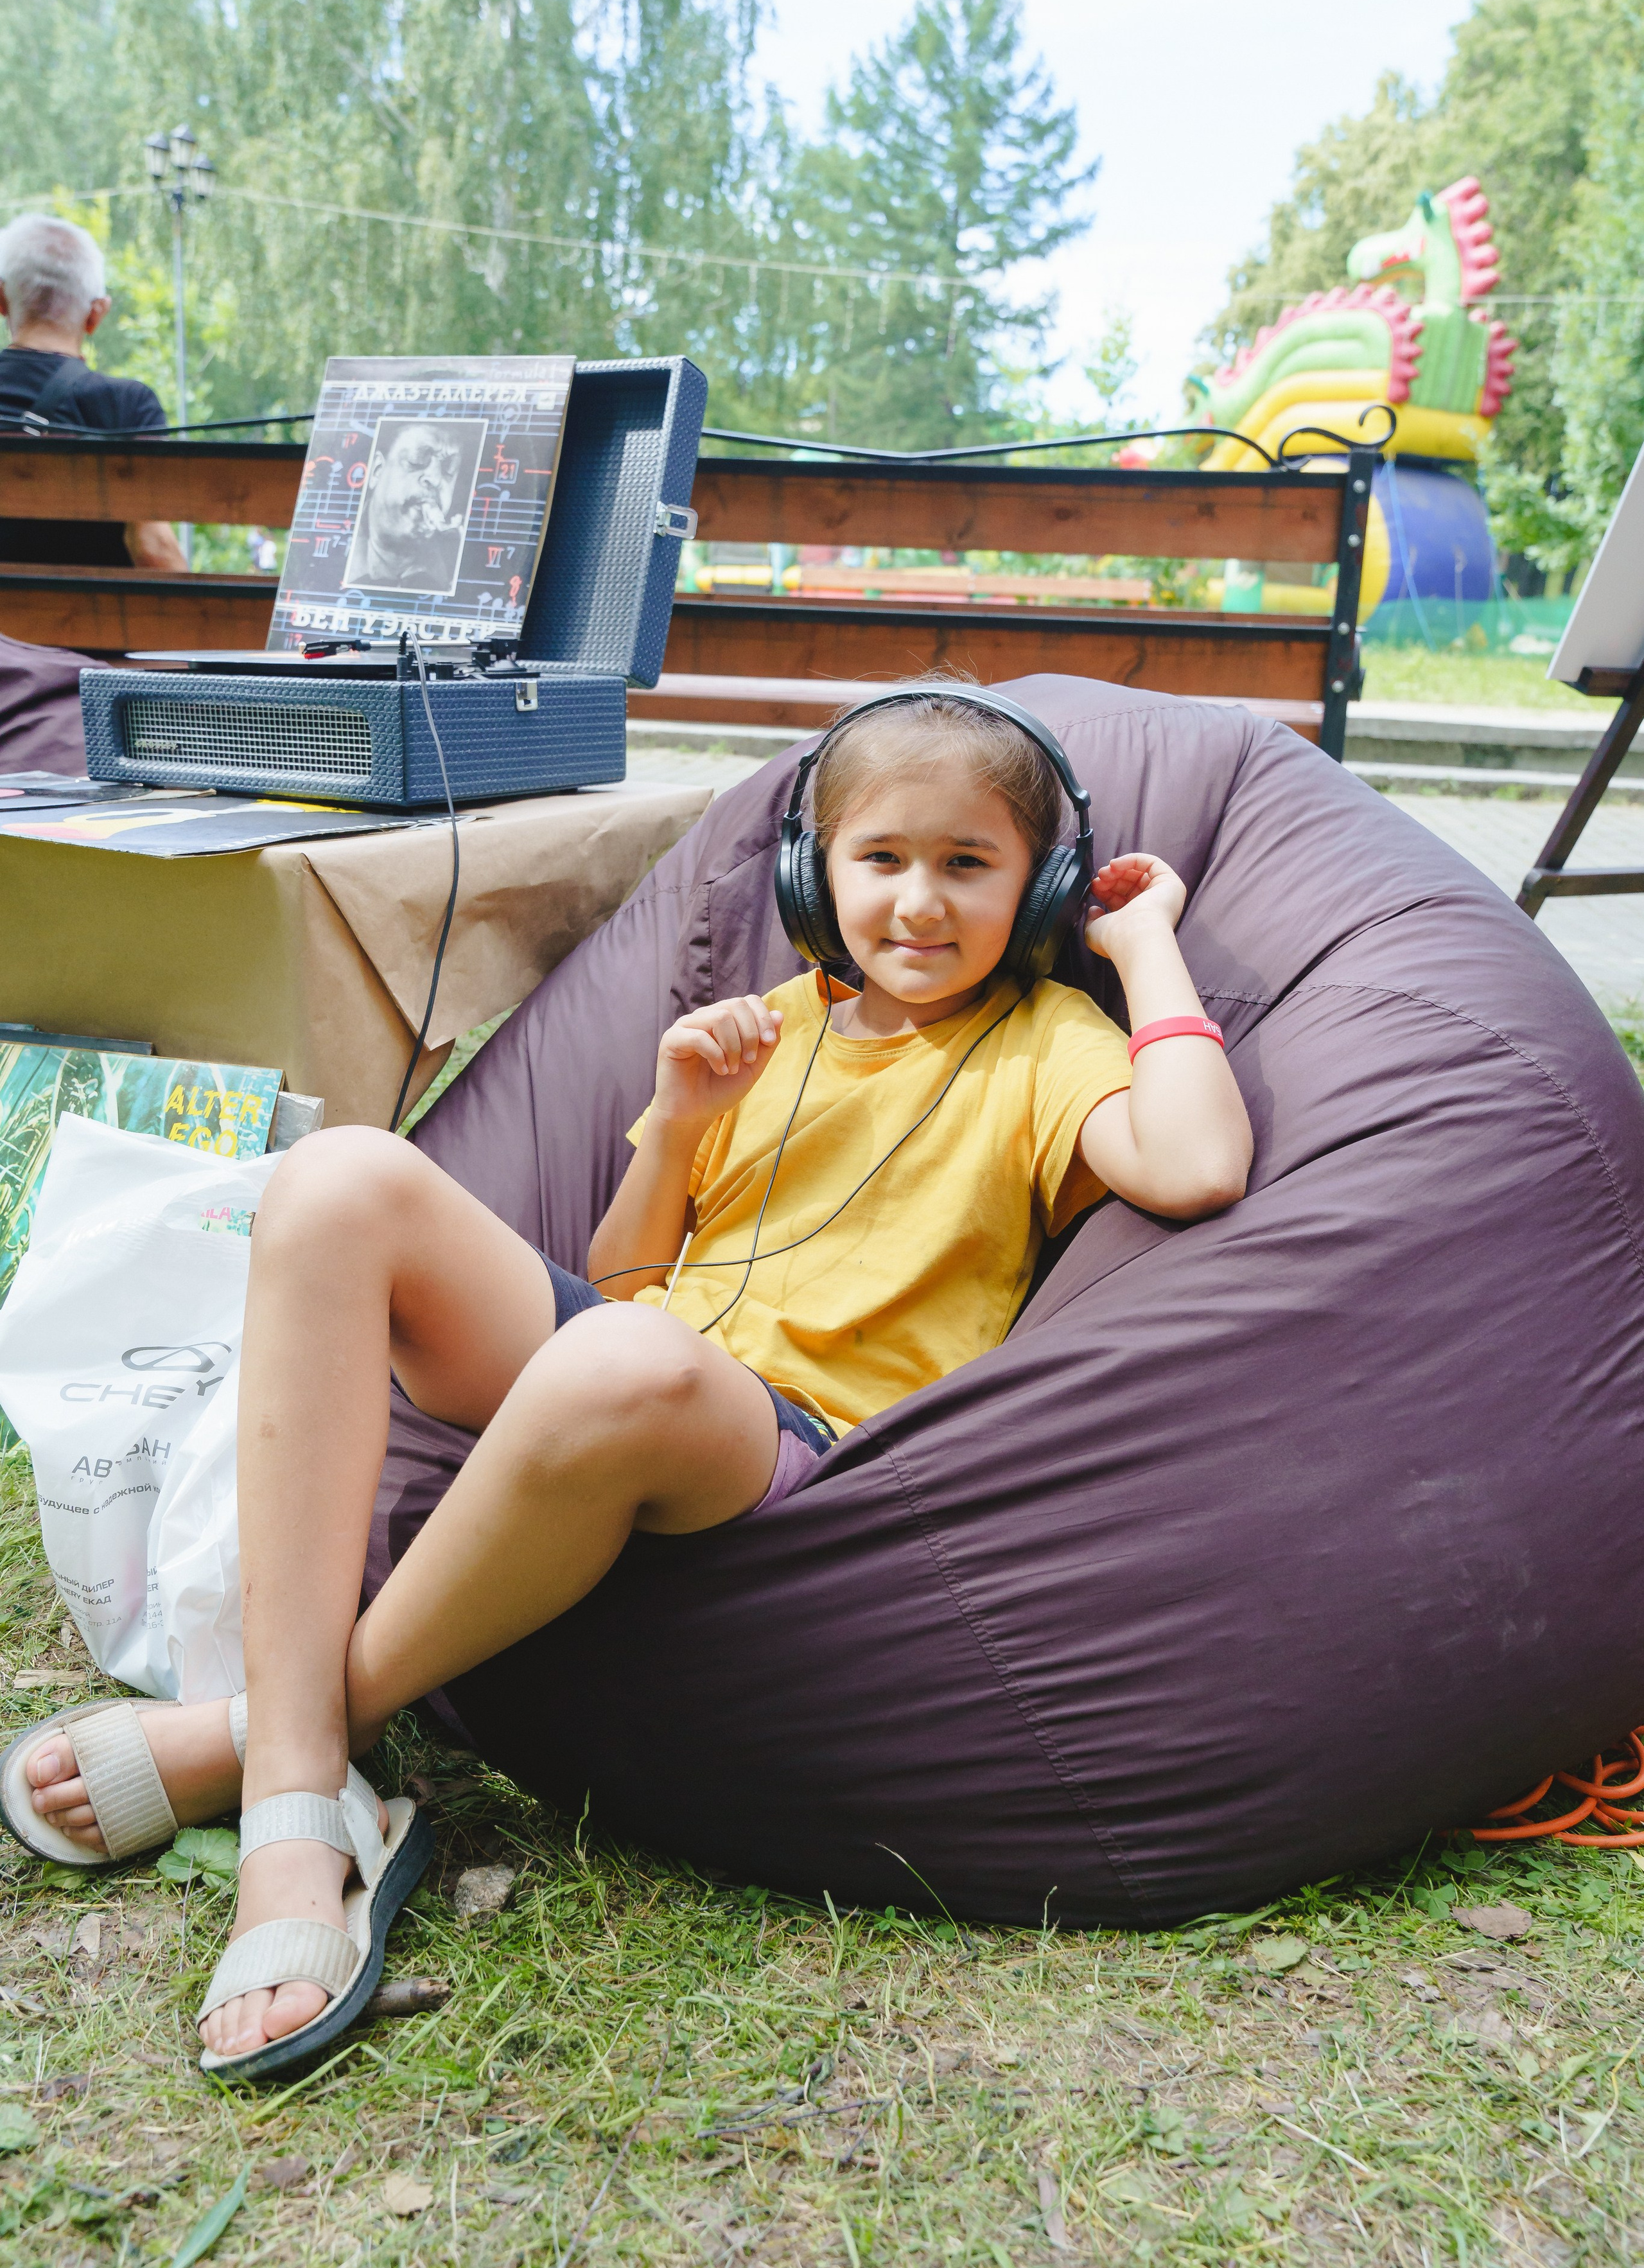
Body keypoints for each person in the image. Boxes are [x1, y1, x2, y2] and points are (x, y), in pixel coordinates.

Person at [5, 685, 1254, 2077]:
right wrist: (676, 1128)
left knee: (617, 1355)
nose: (918, 902)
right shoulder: (772, 1028)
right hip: (635, 1357)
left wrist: (1140, 951)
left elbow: (1198, 1165)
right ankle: (300, 1762)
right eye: (880, 859)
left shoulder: (1045, 1046)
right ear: (811, 872)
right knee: (338, 1177)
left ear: (1035, 890)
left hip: (790, 1442)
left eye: (967, 865)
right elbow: (628, 1267)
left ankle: (283, 1756)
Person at [0, 214, 185, 572]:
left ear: (1, 298)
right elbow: (152, 549)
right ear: (96, 315)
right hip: (85, 626)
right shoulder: (127, 407)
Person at [342, 418, 473, 594]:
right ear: (377, 470)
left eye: (449, 468)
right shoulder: (336, 547)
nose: (435, 479)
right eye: (417, 460)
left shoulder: (461, 562)